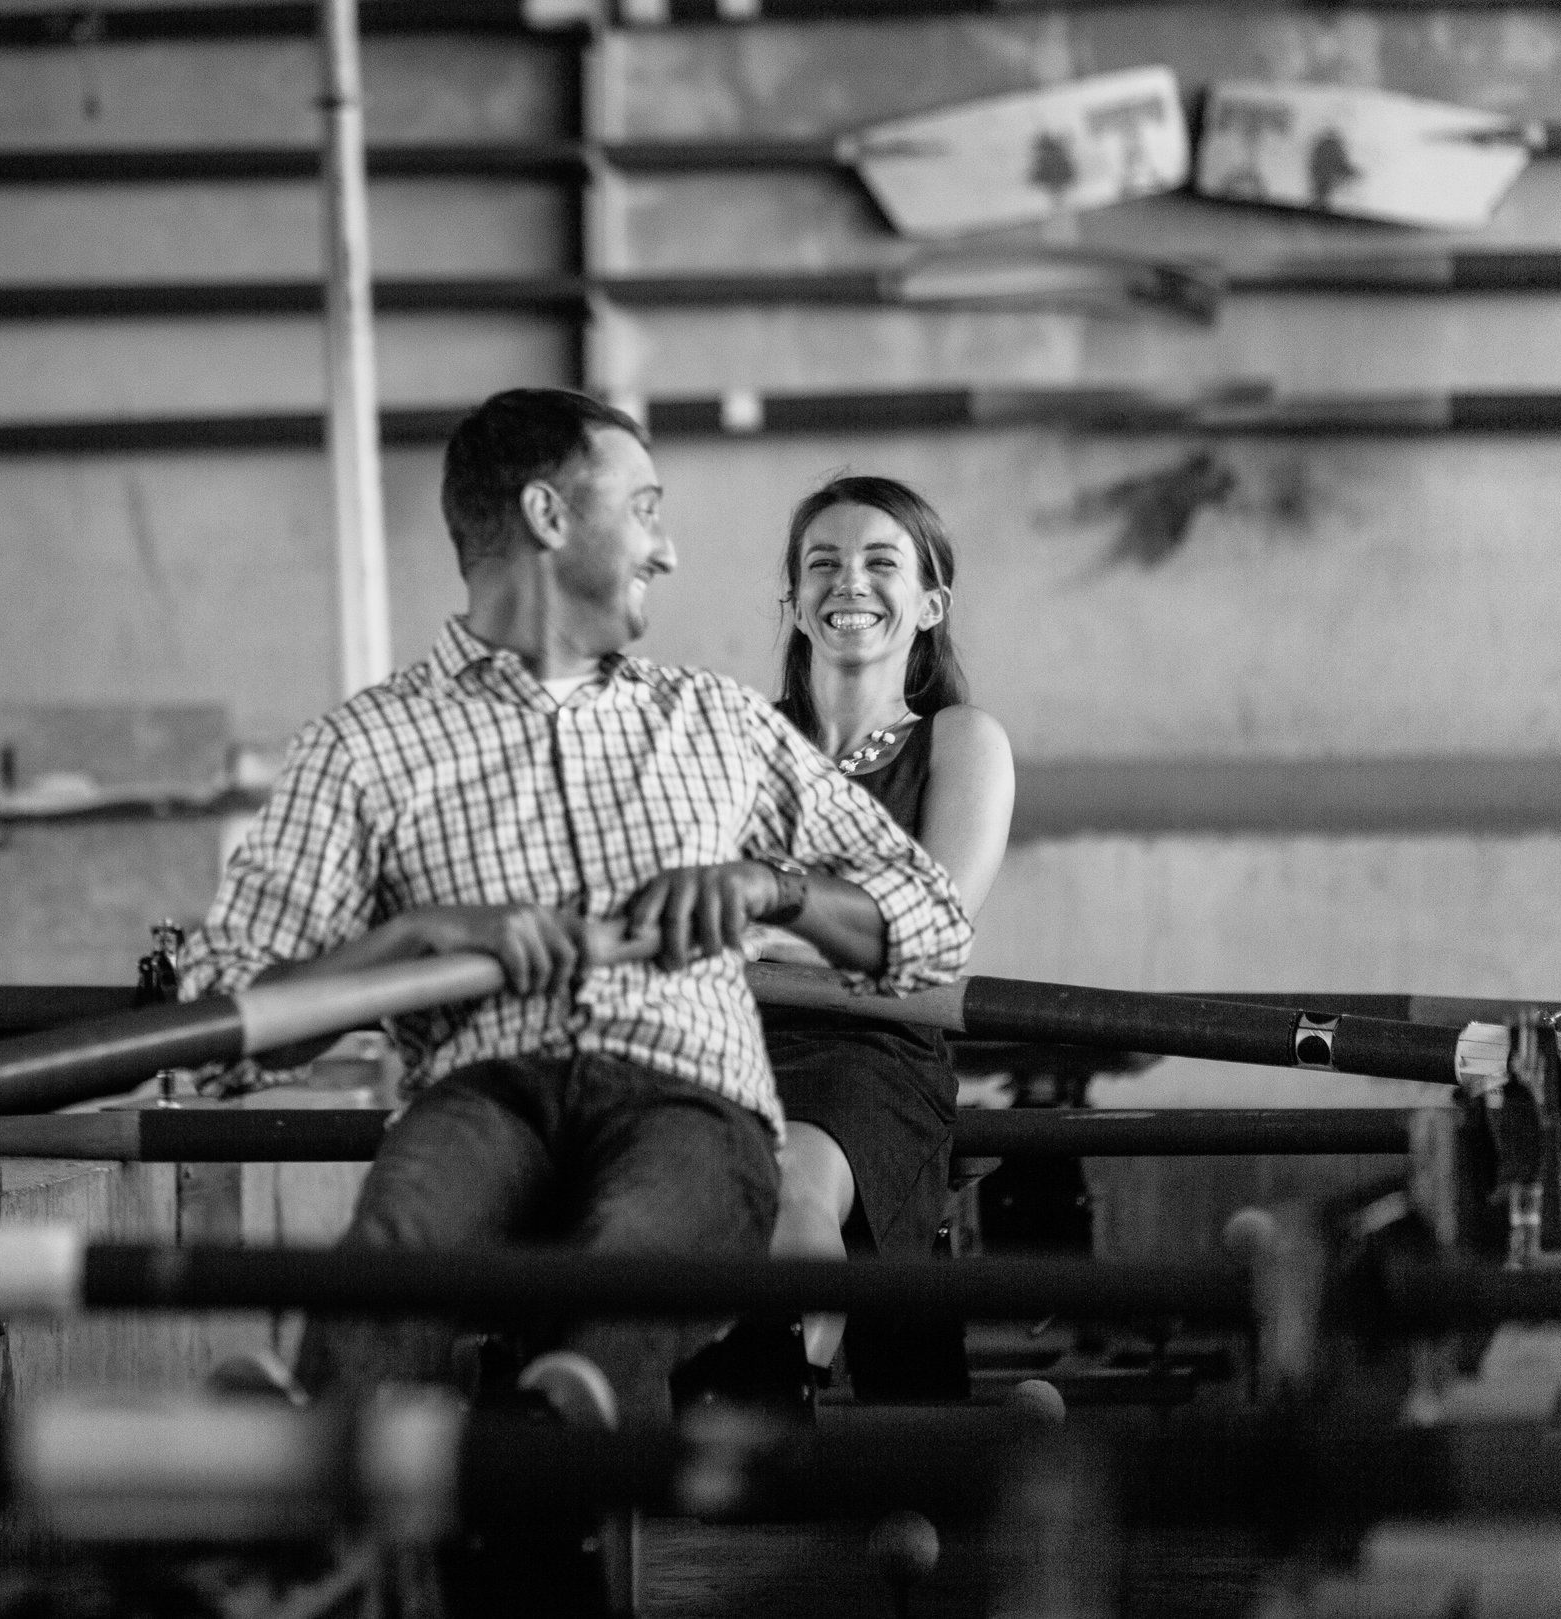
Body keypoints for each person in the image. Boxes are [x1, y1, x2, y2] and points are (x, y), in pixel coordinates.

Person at [177, 393, 974, 1431]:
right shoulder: (362, 748)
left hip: (686, 1095)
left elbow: (935, 920)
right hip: (485, 1094)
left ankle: (555, 1416)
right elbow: (221, 1019)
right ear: (548, 516)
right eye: (643, 509)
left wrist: (770, 887)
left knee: (642, 1234)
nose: (668, 549)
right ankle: (326, 1444)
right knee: (409, 1230)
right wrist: (416, 936)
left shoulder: (715, 722)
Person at [687, 474, 1014, 1407]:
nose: (850, 581)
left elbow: (931, 927)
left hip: (870, 1044)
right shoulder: (736, 745)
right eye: (823, 562)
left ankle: (767, 1382)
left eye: (880, 561)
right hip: (723, 1040)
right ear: (795, 601)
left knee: (790, 1179)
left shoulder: (960, 740)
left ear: (930, 602)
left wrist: (759, 925)